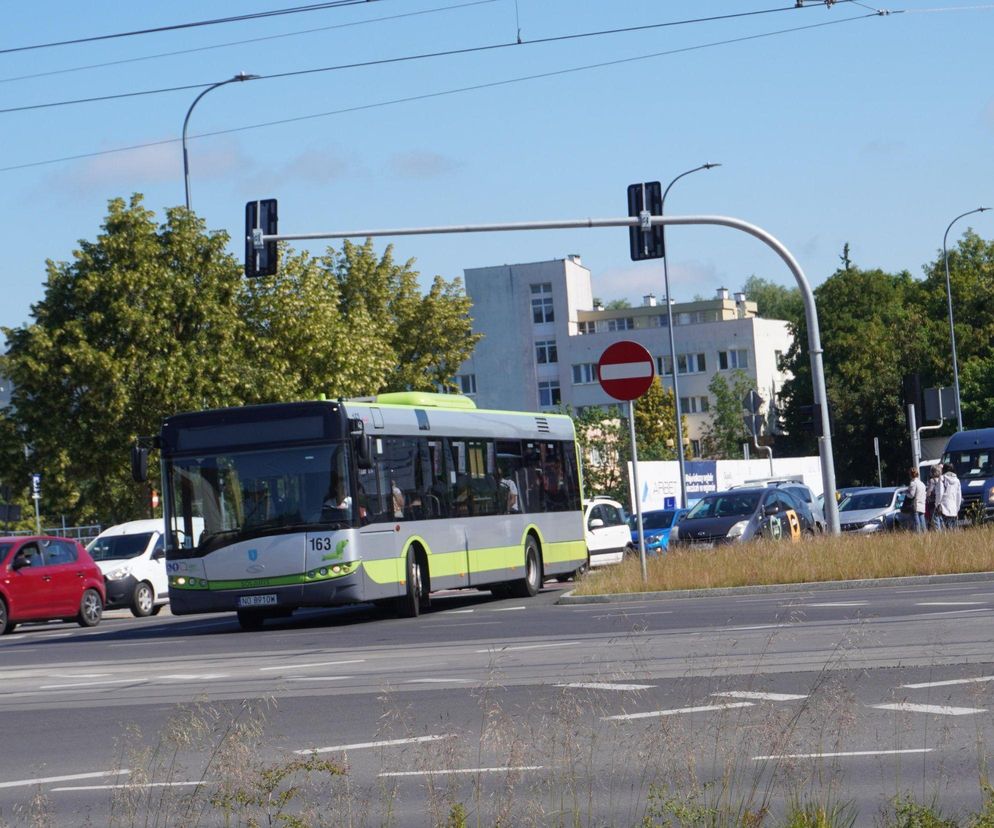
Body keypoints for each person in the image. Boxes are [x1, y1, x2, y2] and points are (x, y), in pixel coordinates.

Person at [936, 462, 962, 529]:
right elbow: (958, 496)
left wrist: (937, 504)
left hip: (944, 508)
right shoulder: (957, 480)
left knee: (945, 530)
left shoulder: (942, 478)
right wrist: (957, 508)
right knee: (953, 531)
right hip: (953, 509)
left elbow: (940, 493)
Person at [905, 467, 927, 533]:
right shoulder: (922, 483)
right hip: (922, 505)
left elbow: (911, 495)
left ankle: (919, 536)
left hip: (915, 505)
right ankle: (925, 535)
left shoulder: (913, 483)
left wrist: (906, 493)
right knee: (922, 522)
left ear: (910, 474)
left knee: (917, 524)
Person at [925, 464, 943, 529]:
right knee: (941, 518)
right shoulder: (942, 479)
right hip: (941, 502)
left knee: (935, 519)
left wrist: (926, 496)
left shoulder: (932, 480)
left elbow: (929, 491)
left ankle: (938, 534)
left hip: (933, 502)